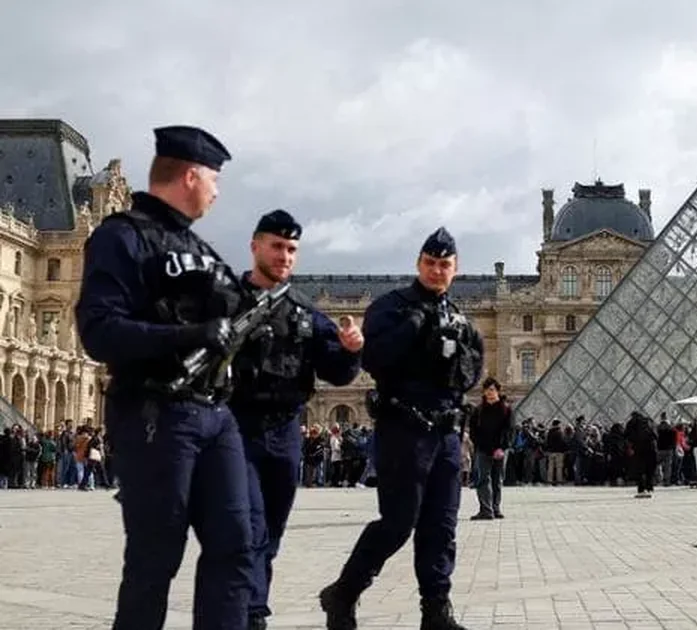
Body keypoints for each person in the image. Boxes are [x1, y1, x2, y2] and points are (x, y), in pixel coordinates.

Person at [75, 125, 254, 629]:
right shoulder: (122, 237)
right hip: (156, 409)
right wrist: (189, 335)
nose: (217, 192)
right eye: (214, 179)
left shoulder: (201, 248)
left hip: (215, 412)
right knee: (155, 556)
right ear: (191, 176)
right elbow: (99, 331)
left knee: (236, 545)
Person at [320, 227, 483, 630]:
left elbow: (472, 373)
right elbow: (373, 358)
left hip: (446, 433)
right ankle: (344, 592)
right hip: (404, 429)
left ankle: (436, 612)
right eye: (430, 263)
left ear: (455, 269)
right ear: (419, 264)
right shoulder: (390, 307)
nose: (437, 270)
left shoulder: (460, 319)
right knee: (397, 524)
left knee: (441, 527)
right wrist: (416, 325)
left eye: (444, 264)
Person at [229, 210, 364, 629]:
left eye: (291, 249)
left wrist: (351, 350)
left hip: (285, 430)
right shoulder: (225, 302)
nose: (284, 255)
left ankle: (250, 607)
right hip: (235, 428)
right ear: (255, 246)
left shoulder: (305, 312)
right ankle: (252, 615)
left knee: (270, 530)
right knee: (248, 528)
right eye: (276, 246)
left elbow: (337, 373)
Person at [467, 377, 512, 520]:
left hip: (500, 451)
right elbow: (473, 431)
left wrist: (502, 447)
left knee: (497, 480)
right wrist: (480, 445)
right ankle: (486, 510)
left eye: (492, 390)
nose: (489, 393)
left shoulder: (506, 409)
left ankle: (495, 508)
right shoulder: (478, 410)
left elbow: (509, 431)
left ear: (498, 391)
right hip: (483, 449)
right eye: (486, 390)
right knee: (483, 479)